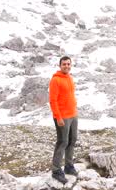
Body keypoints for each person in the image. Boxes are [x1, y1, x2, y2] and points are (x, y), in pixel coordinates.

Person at [48, 55, 78, 184]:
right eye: (64, 64)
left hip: (73, 115)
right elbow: (53, 100)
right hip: (62, 117)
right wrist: (58, 117)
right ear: (60, 66)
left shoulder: (70, 78)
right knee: (62, 142)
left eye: (68, 64)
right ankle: (56, 170)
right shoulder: (56, 80)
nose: (66, 66)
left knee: (72, 140)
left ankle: (68, 166)